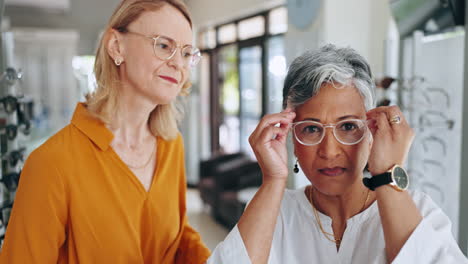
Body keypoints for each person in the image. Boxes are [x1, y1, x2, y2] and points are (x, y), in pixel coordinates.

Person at [207, 45, 468, 263]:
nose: (329, 151)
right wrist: (273, 180)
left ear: (371, 131)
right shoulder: (275, 211)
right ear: (290, 137)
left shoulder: (418, 210)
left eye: (348, 126)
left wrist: (388, 174)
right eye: (311, 129)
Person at [0, 0, 210, 263]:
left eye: (187, 53)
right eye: (164, 46)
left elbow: (177, 236)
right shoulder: (51, 164)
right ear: (116, 46)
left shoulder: (171, 145)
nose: (178, 64)